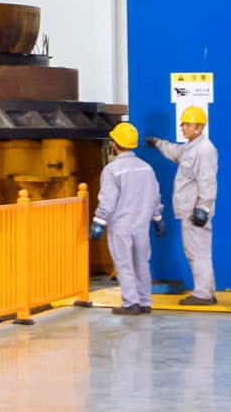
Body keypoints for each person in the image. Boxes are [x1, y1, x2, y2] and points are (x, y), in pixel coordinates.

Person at [92, 123, 160, 314]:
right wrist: (157, 217)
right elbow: (155, 196)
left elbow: (108, 200)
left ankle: (131, 303)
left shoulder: (112, 170)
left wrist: (98, 222)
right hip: (141, 226)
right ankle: (145, 302)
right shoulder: (146, 168)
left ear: (114, 144)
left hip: (121, 227)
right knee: (142, 264)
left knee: (124, 264)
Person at [153, 103, 217, 304]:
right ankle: (208, 292)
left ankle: (202, 294)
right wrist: (158, 143)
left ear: (199, 127)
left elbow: (207, 181)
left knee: (197, 252)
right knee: (197, 252)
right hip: (189, 210)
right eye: (183, 124)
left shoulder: (205, 150)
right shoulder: (191, 147)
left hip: (195, 211)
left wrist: (203, 208)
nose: (183, 128)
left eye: (187, 124)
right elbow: (176, 152)